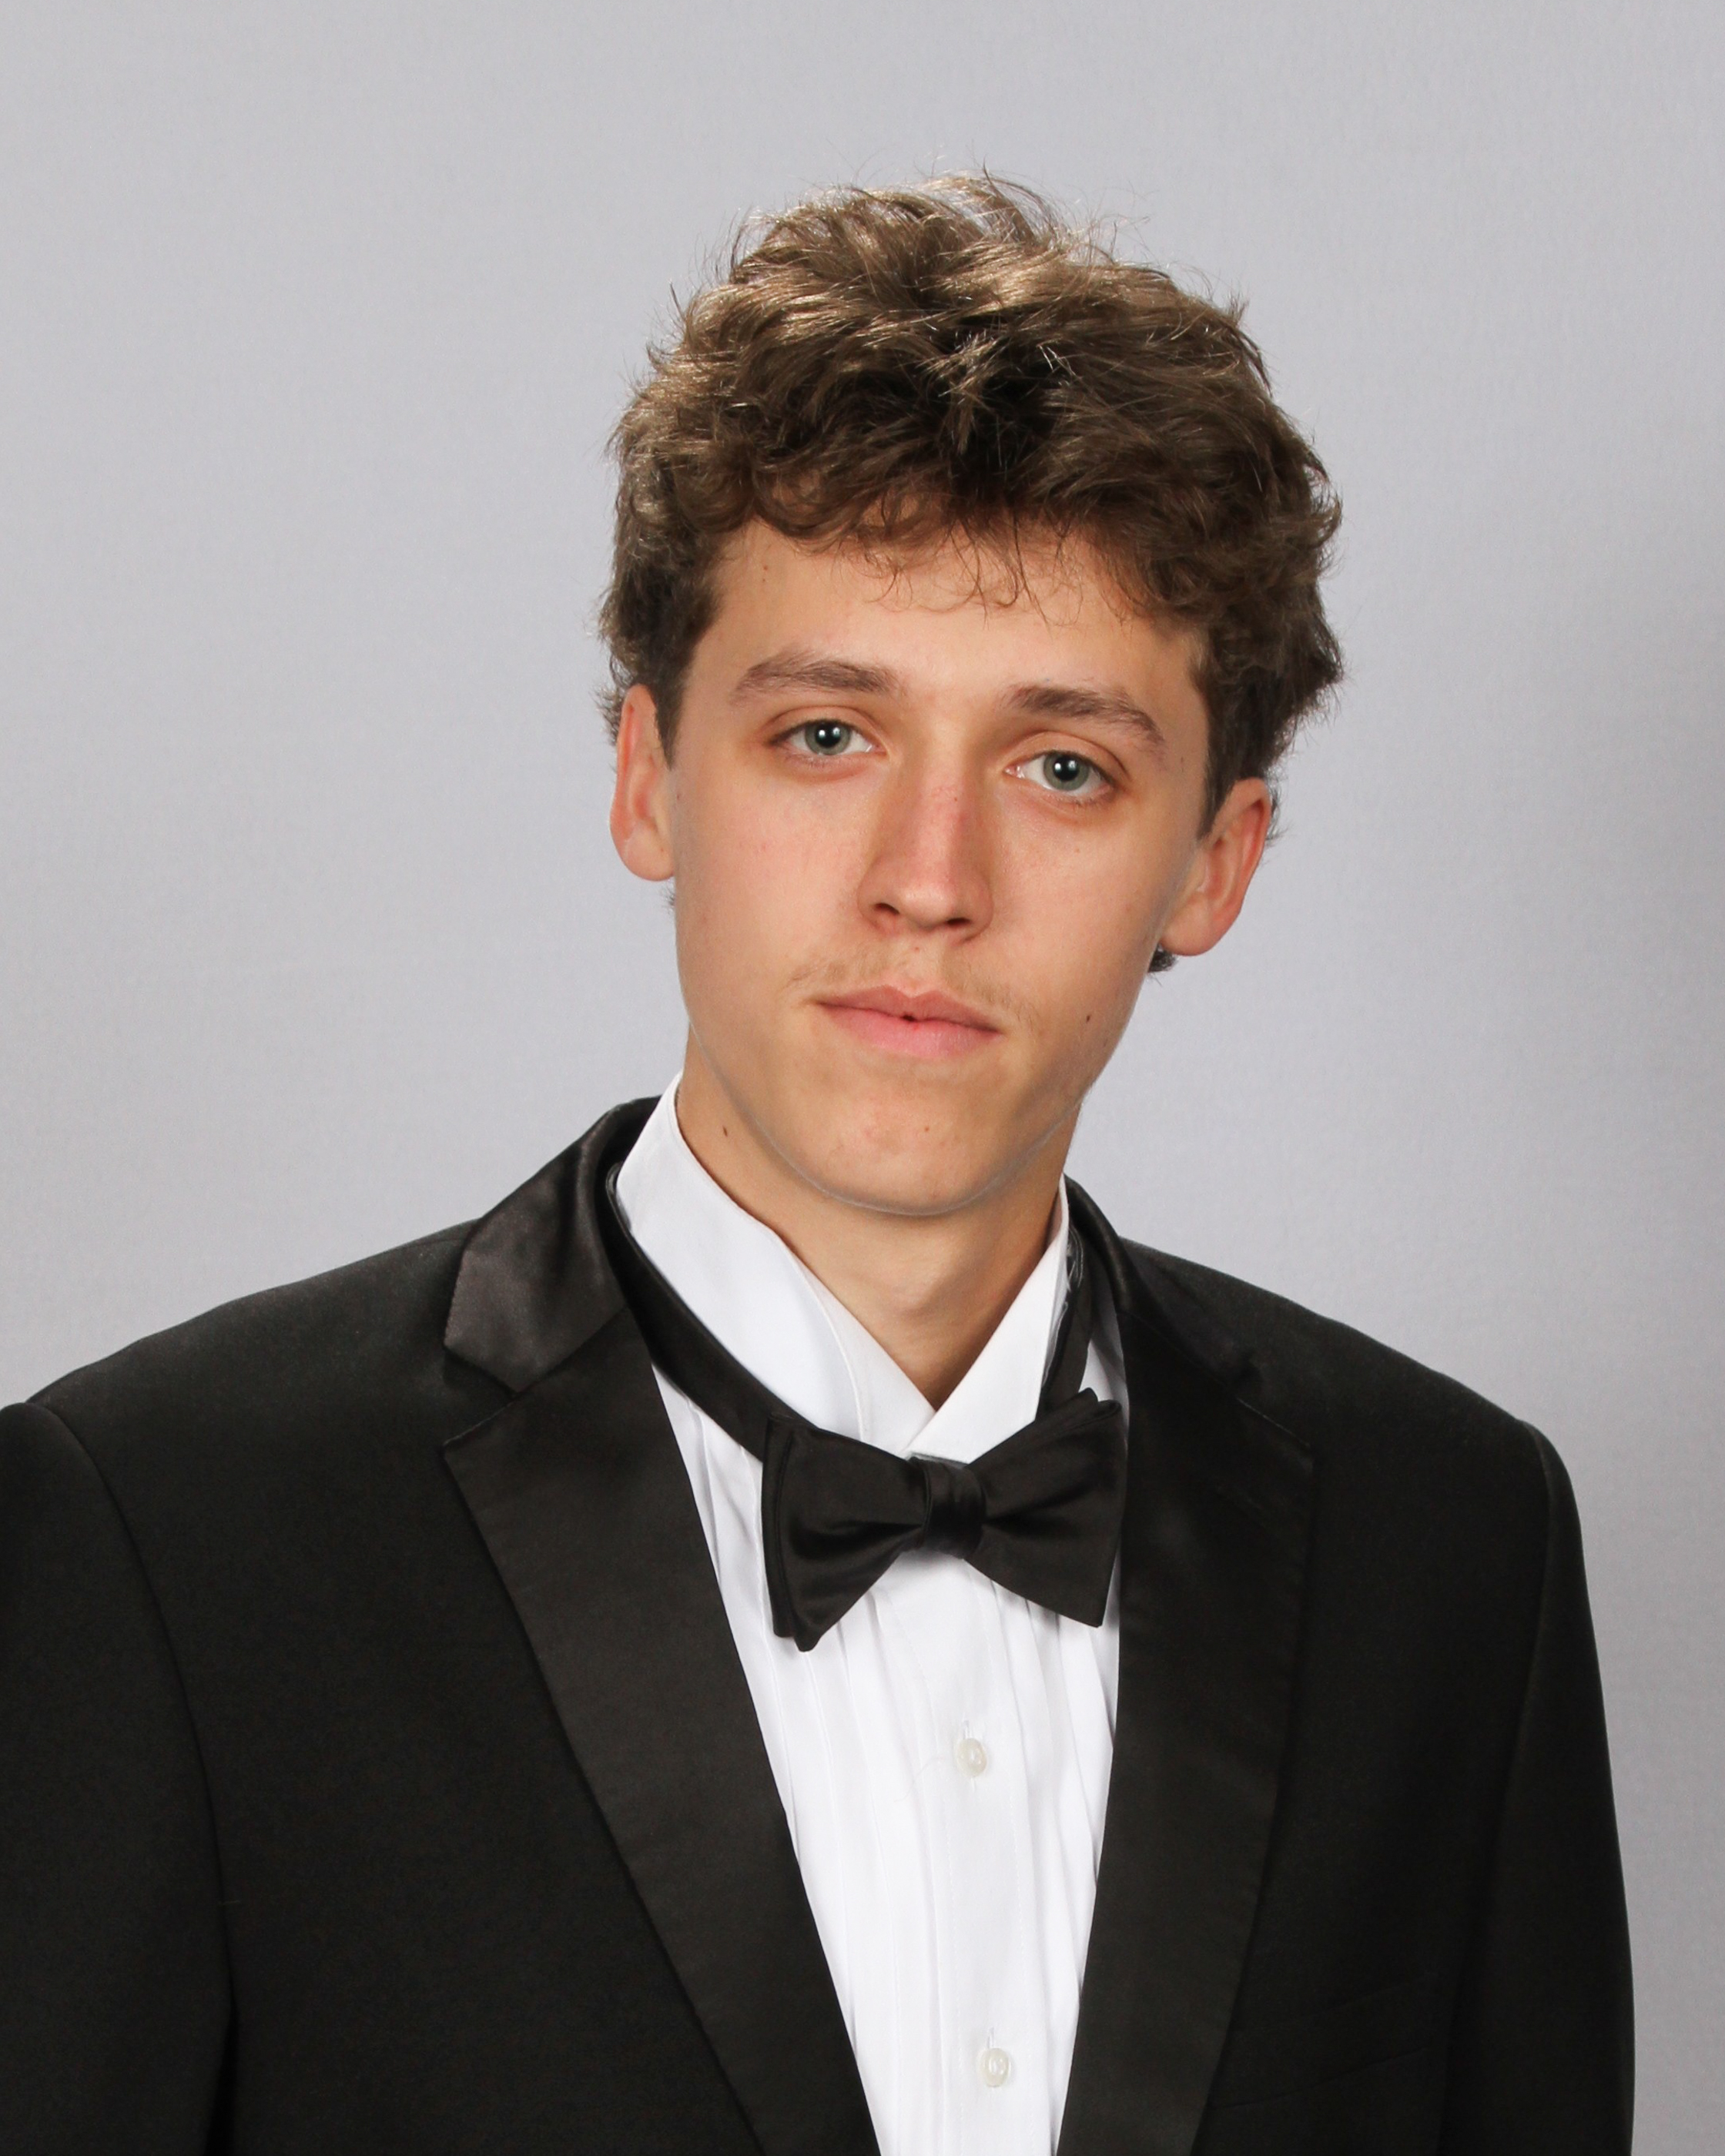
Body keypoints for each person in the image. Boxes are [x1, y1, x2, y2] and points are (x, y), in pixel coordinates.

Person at [0, 176, 1631, 2156]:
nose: (927, 881)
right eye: (828, 735)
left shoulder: (1452, 1548)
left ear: (1214, 862)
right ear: (647, 777)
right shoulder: (160, 1532)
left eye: (1062, 766)